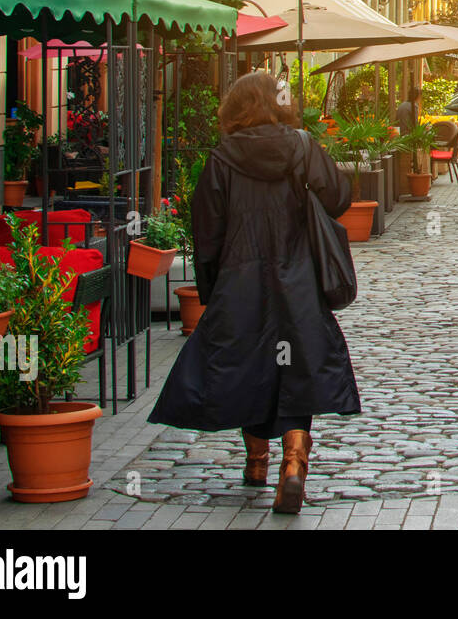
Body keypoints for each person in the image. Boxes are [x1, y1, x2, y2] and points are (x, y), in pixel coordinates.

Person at [149, 72, 360, 515]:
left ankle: (257, 461)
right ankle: (295, 460)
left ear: (235, 107)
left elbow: (207, 229)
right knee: (295, 365)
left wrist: (211, 287)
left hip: (241, 280)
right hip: (297, 276)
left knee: (250, 365)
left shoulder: (222, 158)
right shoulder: (302, 145)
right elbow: (338, 196)